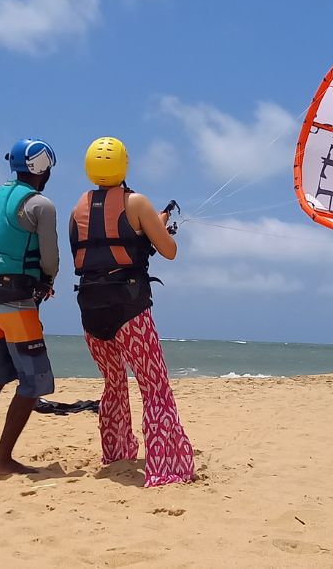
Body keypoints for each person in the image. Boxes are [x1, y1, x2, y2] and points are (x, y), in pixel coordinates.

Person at [69, 136, 195, 487]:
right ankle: (167, 468)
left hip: (91, 311)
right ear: (123, 165)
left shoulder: (77, 208)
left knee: (113, 383)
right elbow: (168, 250)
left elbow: (97, 248)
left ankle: (117, 452)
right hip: (130, 310)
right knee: (155, 388)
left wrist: (144, 230)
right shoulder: (136, 202)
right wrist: (157, 227)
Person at [0, 138, 59, 475]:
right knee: (36, 382)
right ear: (42, 169)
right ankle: (2, 459)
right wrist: (47, 282)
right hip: (16, 301)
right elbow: (50, 259)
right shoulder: (41, 205)